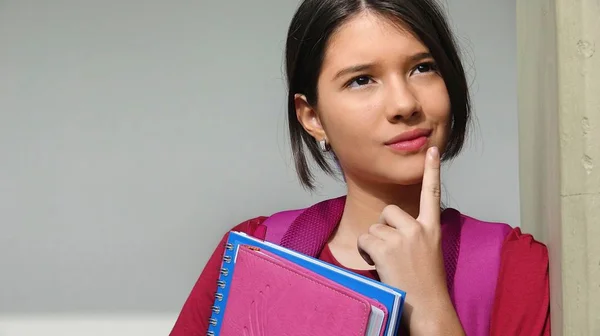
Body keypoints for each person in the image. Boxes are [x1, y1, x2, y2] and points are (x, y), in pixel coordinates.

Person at [170, 0, 550, 335]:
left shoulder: (513, 266)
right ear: (312, 116)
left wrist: (430, 307)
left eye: (422, 68)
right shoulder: (260, 250)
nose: (404, 104)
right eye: (361, 80)